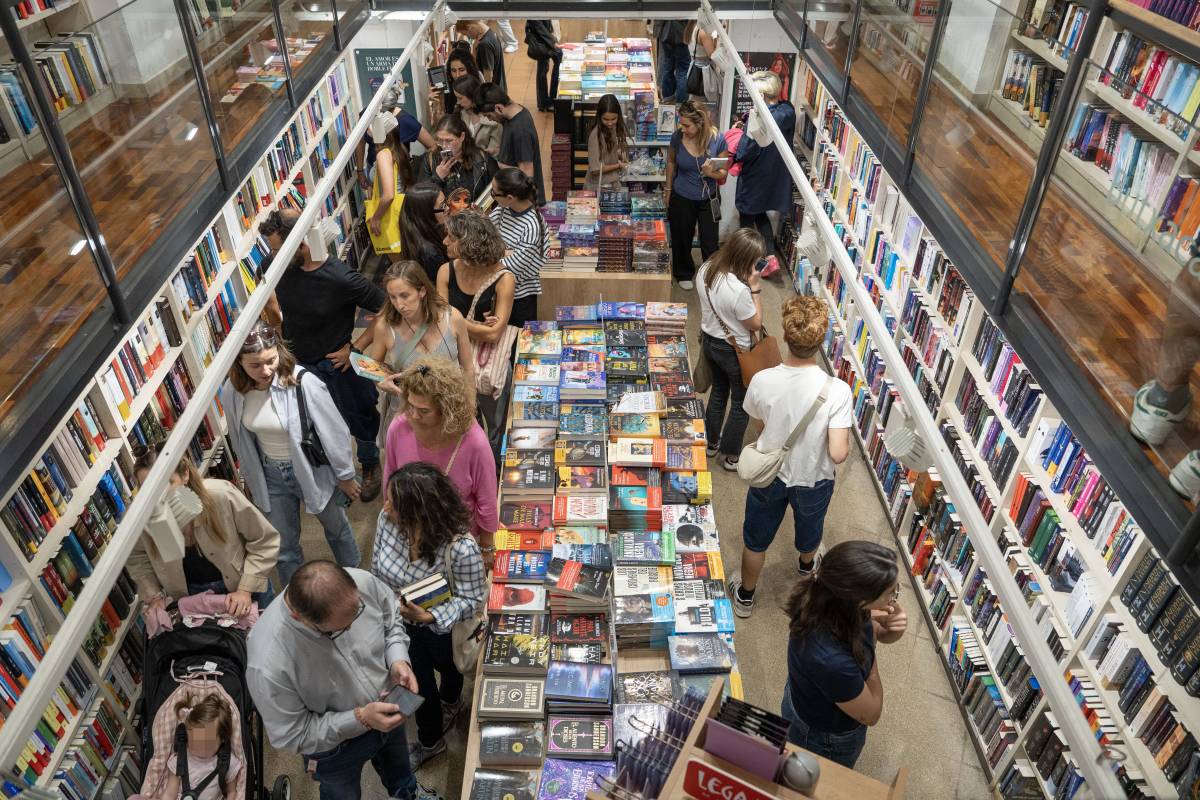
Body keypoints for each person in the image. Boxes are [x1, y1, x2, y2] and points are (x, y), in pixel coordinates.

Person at [246, 560, 442, 800]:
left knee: (400, 772)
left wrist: (398, 659)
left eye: (357, 612)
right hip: (335, 751)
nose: (353, 628)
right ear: (299, 618)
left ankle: (408, 793)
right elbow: (292, 733)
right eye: (339, 630)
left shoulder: (363, 582)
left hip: (390, 709)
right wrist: (359, 718)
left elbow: (391, 623)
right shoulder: (268, 664)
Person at [726, 296, 853, 616]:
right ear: (821, 340)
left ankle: (745, 595)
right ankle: (806, 565)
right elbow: (838, 453)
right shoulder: (837, 390)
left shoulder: (762, 380)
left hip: (770, 473)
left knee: (756, 538)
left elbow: (760, 425)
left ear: (785, 335)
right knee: (811, 529)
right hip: (814, 477)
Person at [218, 322, 362, 587]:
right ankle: (296, 601)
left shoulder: (302, 382)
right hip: (271, 475)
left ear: (279, 352)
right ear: (238, 364)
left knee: (337, 530)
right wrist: (252, 480)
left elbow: (334, 430)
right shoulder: (233, 391)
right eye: (254, 365)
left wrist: (345, 474)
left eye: (270, 361)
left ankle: (359, 582)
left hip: (312, 469)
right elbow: (241, 440)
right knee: (283, 549)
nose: (265, 371)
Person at [260, 209, 387, 501]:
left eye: (279, 249)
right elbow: (274, 309)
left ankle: (369, 464)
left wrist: (355, 347)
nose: (274, 255)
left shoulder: (340, 277)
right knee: (314, 422)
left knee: (361, 415)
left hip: (336, 363)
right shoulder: (274, 264)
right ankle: (333, 474)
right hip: (299, 363)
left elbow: (385, 308)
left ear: (301, 243)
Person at [372, 463, 486, 766]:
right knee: (418, 685)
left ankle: (452, 700)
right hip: (401, 627)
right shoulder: (386, 520)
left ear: (418, 512)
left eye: (394, 504)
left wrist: (430, 618)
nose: (385, 507)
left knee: (450, 670)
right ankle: (429, 740)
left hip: (446, 630)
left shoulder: (461, 548)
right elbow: (376, 568)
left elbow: (473, 597)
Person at [776, 541, 906, 768]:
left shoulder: (832, 599)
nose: (893, 600)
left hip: (807, 698)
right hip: (824, 736)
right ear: (861, 599)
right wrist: (870, 660)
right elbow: (871, 714)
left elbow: (876, 630)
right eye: (890, 593)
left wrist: (893, 629)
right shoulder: (832, 662)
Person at [129, 447, 279, 617]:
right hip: (193, 601)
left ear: (185, 474)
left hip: (244, 585)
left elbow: (264, 540)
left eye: (167, 483)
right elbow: (137, 557)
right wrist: (153, 596)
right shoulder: (149, 520)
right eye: (149, 488)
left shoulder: (220, 496)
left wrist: (245, 589)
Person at [381, 357, 498, 550]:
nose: (414, 416)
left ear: (446, 409)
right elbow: (390, 481)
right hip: (413, 535)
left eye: (424, 411)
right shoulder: (398, 428)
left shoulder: (473, 441)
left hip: (457, 542)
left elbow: (486, 499)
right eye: (410, 405)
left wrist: (486, 547)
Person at [436, 211, 516, 456]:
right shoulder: (445, 271)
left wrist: (456, 320)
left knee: (495, 421)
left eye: (451, 238)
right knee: (458, 417)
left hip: (487, 365)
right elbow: (440, 321)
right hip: (452, 361)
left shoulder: (504, 278)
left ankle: (491, 461)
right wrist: (478, 327)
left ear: (467, 243)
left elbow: (493, 335)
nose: (445, 243)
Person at [369, 262, 473, 442]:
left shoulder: (452, 318)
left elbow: (468, 367)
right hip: (409, 414)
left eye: (405, 296)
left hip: (450, 412)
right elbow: (373, 367)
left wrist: (470, 408)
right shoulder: (385, 327)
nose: (399, 305)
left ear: (422, 291)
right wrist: (381, 382)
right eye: (392, 297)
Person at [695, 228, 765, 471]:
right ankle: (731, 455)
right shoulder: (739, 291)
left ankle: (711, 442)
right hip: (735, 351)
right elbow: (755, 323)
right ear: (745, 260)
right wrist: (755, 288)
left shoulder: (706, 269)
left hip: (709, 342)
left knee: (717, 392)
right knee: (740, 402)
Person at [736, 71, 797, 272]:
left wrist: (740, 133)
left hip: (755, 176)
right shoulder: (788, 111)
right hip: (774, 176)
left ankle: (746, 259)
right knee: (760, 214)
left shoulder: (759, 120)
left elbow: (745, 151)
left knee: (746, 217)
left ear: (761, 96)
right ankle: (770, 257)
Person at [665, 100, 730, 289]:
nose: (682, 128)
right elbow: (671, 162)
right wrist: (668, 190)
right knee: (681, 237)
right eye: (681, 123)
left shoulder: (717, 140)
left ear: (700, 123)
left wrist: (711, 174)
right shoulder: (677, 137)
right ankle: (683, 272)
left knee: (710, 241)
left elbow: (723, 171)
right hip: (682, 195)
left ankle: (711, 274)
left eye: (687, 125)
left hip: (709, 198)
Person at [489, 167, 547, 329]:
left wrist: (494, 253)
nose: (491, 196)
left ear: (509, 197)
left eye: (494, 193)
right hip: (498, 291)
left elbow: (512, 268)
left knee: (515, 342)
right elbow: (482, 236)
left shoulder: (532, 225)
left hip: (520, 298)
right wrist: (505, 252)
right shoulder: (503, 209)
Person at [159, 693, 243, 800]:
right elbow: (169, 794)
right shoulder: (179, 761)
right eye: (193, 742)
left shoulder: (226, 763)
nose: (199, 747)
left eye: (206, 743)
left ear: (222, 738)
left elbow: (231, 792)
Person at [480, 83, 545, 206]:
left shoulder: (521, 130)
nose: (489, 119)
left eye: (489, 115)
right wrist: (499, 151)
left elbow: (526, 174)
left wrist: (502, 165)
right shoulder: (514, 114)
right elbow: (516, 149)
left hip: (522, 203)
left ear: (499, 108)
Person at [416, 114, 498, 204]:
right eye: (440, 140)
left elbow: (497, 191)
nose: (444, 146)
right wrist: (437, 177)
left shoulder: (482, 158)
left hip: (474, 216)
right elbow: (420, 198)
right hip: (443, 216)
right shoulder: (430, 159)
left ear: (462, 137)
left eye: (448, 140)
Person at [367, 113, 417, 253]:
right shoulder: (400, 149)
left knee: (398, 264)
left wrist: (376, 218)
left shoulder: (383, 154)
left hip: (391, 217)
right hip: (404, 214)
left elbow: (389, 194)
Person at [355, 107, 433, 193]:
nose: (368, 129)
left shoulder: (383, 155)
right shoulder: (396, 150)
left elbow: (388, 196)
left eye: (371, 126)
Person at [398, 182, 450, 283]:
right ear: (427, 214)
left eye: (446, 202)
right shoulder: (431, 254)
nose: (448, 208)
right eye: (443, 205)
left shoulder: (416, 233)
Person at [451, 75, 501, 156]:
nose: (458, 102)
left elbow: (495, 155)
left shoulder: (493, 120)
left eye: (460, 98)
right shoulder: (460, 114)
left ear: (472, 95)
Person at [587, 94, 629, 189]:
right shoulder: (595, 135)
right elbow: (595, 169)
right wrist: (618, 165)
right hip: (598, 187)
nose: (610, 123)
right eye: (605, 119)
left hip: (611, 183)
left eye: (613, 119)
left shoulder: (613, 128)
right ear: (599, 117)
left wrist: (619, 155)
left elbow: (607, 152)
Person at [455, 20, 506, 92]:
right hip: (499, 87)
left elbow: (488, 74)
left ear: (469, 27)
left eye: (466, 34)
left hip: (493, 92)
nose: (469, 37)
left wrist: (485, 94)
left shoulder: (484, 45)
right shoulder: (492, 33)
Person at [525, 19, 562, 112]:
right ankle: (547, 102)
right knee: (543, 69)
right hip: (542, 41)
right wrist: (552, 42)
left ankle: (547, 101)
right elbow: (538, 26)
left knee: (544, 68)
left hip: (547, 37)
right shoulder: (535, 10)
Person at [654, 20, 691, 104]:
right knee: (682, 70)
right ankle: (681, 102)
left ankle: (668, 98)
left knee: (668, 66)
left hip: (666, 34)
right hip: (681, 35)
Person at [441, 47, 483, 115]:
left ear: (469, 69)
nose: (457, 75)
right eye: (453, 70)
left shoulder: (478, 84)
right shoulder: (448, 85)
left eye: (461, 70)